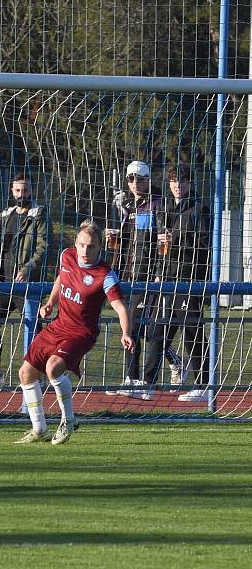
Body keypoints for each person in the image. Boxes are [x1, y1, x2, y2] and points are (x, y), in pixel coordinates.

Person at [15, 220, 134, 445]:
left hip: (81, 332)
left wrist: (126, 333)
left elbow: (120, 306)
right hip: (58, 325)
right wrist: (51, 302)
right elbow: (61, 278)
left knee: (53, 367)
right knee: (25, 373)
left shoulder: (105, 275)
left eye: (91, 247)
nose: (85, 251)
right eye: (81, 245)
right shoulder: (67, 256)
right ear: (75, 243)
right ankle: (39, 429)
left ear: (100, 247)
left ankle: (68, 420)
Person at [104, 160, 182, 400]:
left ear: (149, 180)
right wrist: (112, 241)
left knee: (151, 329)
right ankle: (131, 378)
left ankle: (148, 381)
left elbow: (163, 242)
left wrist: (160, 271)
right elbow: (126, 244)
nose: (135, 183)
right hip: (129, 277)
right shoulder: (127, 206)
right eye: (130, 179)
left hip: (152, 276)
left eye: (140, 178)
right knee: (131, 327)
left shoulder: (158, 205)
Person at [143, 166, 211, 402]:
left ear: (189, 183)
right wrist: (158, 272)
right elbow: (159, 247)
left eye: (181, 182)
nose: (177, 186)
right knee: (158, 329)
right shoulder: (163, 207)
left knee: (192, 331)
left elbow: (204, 246)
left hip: (190, 280)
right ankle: (147, 382)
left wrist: (177, 240)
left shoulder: (199, 208)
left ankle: (203, 386)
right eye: (173, 182)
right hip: (168, 279)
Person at [0, 173, 48, 388]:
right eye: (17, 190)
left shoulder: (39, 214)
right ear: (12, 191)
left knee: (33, 329)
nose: (21, 194)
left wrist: (27, 269)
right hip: (5, 281)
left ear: (32, 190)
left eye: (25, 190)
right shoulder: (5, 215)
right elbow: (1, 251)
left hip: (27, 283)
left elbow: (43, 246)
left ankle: (38, 375)